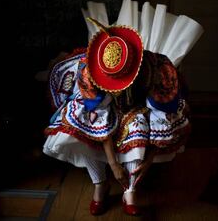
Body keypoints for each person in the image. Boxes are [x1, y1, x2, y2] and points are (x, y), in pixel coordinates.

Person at [43, 17, 194, 216]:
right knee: (81, 126)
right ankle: (100, 184)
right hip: (105, 107)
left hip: (139, 107)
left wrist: (148, 161)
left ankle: (130, 190)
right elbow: (97, 118)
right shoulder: (90, 73)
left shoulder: (157, 70)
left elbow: (163, 117)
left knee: (138, 127)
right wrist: (113, 164)